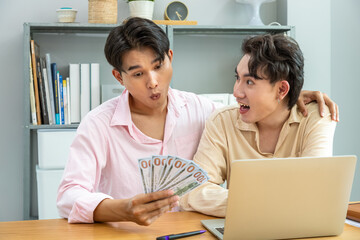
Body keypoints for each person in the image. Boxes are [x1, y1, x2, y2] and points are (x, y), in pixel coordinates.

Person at [57, 17, 338, 225]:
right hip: (124, 232)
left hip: (194, 231)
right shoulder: (98, 123)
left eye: (158, 66)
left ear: (170, 58)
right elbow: (69, 195)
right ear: (119, 77)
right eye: (138, 73)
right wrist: (121, 209)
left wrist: (293, 96)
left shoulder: (203, 110)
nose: (153, 82)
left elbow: (256, 105)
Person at [180, 34, 337, 217]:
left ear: (281, 90)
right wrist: (260, 206)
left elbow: (313, 190)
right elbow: (194, 190)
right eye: (237, 78)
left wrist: (244, 204)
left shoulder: (317, 117)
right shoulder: (222, 121)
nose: (236, 92)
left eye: (249, 82)